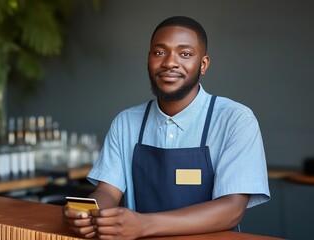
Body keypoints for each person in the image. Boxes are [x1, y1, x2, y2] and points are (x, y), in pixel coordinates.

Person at [62, 16, 270, 239]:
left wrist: (144, 225)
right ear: (148, 59)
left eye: (185, 54)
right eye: (159, 52)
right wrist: (87, 212)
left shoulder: (235, 120)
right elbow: (107, 191)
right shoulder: (126, 122)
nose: (170, 62)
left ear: (203, 64)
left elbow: (232, 209)